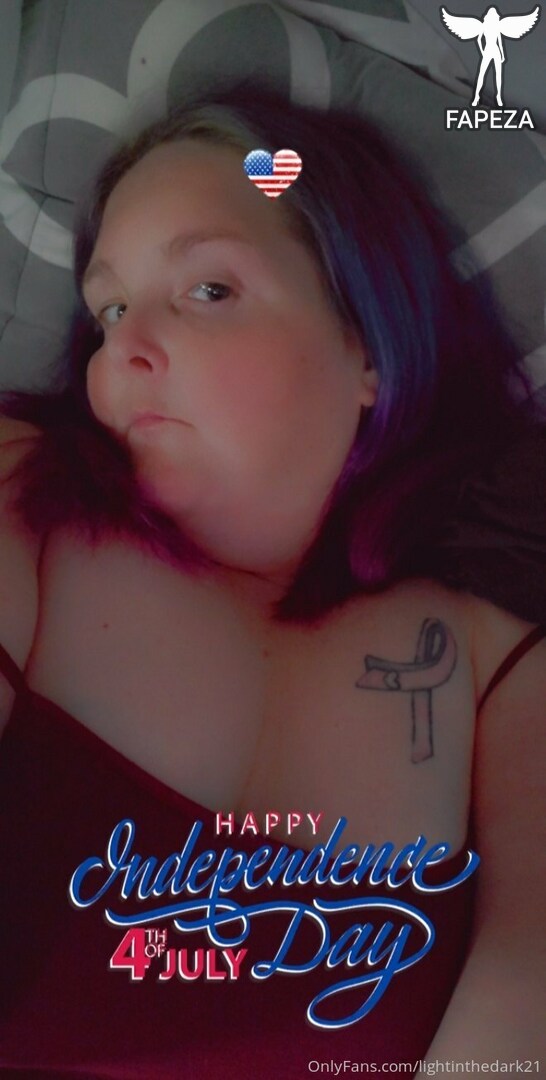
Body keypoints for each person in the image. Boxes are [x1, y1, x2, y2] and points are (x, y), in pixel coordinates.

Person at [0, 84, 544, 1077]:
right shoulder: (22, 497)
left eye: (209, 289)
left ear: (367, 341)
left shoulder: (485, 650)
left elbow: (530, 984)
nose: (122, 348)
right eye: (109, 308)